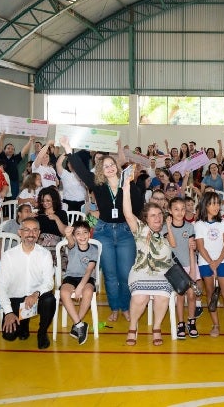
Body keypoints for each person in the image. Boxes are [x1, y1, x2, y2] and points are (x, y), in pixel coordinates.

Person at [65, 137, 144, 323]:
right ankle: (115, 308)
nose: (109, 167)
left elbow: (139, 206)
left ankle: (125, 306)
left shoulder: (128, 184)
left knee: (125, 274)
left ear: (116, 166)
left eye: (111, 164)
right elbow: (82, 171)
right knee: (110, 274)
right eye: (105, 166)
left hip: (125, 232)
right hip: (104, 232)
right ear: (101, 170)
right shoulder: (97, 184)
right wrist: (69, 148)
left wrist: (131, 186)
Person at [121, 168, 174, 347]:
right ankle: (133, 327)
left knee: (162, 296)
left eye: (159, 214)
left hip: (163, 273)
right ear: (146, 218)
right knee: (140, 297)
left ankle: (157, 327)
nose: (157, 218)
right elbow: (128, 214)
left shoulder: (168, 228)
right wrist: (126, 187)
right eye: (153, 216)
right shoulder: (141, 230)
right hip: (140, 271)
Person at [0, 216, 56, 349]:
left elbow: (49, 282)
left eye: (35, 230)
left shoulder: (45, 254)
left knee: (49, 300)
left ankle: (42, 333)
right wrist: (8, 312)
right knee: (9, 336)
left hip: (36, 298)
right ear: (20, 232)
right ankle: (23, 324)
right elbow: (1, 287)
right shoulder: (8, 256)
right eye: (27, 230)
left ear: (39, 233)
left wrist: (36, 294)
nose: (31, 234)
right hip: (16, 299)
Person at [195, 191, 224, 337]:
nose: (216, 206)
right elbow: (200, 247)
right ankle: (215, 325)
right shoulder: (199, 224)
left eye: (217, 203)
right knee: (210, 292)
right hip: (205, 262)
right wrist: (210, 263)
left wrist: (217, 262)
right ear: (205, 205)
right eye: (212, 203)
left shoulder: (223, 222)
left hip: (222, 261)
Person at [59, 221, 98, 345]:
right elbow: (69, 238)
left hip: (86, 278)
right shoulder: (72, 245)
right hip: (71, 277)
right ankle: (80, 324)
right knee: (63, 292)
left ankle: (77, 324)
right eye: (78, 234)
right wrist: (68, 233)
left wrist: (81, 286)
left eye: (85, 232)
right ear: (75, 236)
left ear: (89, 234)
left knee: (88, 292)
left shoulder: (94, 250)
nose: (82, 236)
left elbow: (89, 270)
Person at [167, 197, 199, 339]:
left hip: (189, 265)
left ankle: (191, 322)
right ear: (170, 211)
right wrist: (168, 226)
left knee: (192, 295)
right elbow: (172, 244)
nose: (180, 212)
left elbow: (192, 249)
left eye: (182, 209)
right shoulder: (165, 227)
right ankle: (180, 323)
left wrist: (192, 270)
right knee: (180, 296)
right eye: (176, 209)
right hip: (175, 269)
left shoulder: (190, 227)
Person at [0, 133, 34, 199]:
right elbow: (0, 146)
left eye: (12, 149)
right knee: (2, 200)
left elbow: (24, 151)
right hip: (2, 182)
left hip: (14, 182)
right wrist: (1, 137)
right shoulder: (1, 156)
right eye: (8, 148)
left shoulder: (15, 158)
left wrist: (30, 140)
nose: (10, 150)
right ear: (4, 150)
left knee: (12, 200)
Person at [35, 187, 68, 255]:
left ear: (54, 200)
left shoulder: (61, 213)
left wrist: (56, 219)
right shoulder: (38, 215)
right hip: (39, 247)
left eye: (48, 200)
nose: (45, 203)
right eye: (42, 201)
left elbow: (64, 233)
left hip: (56, 247)